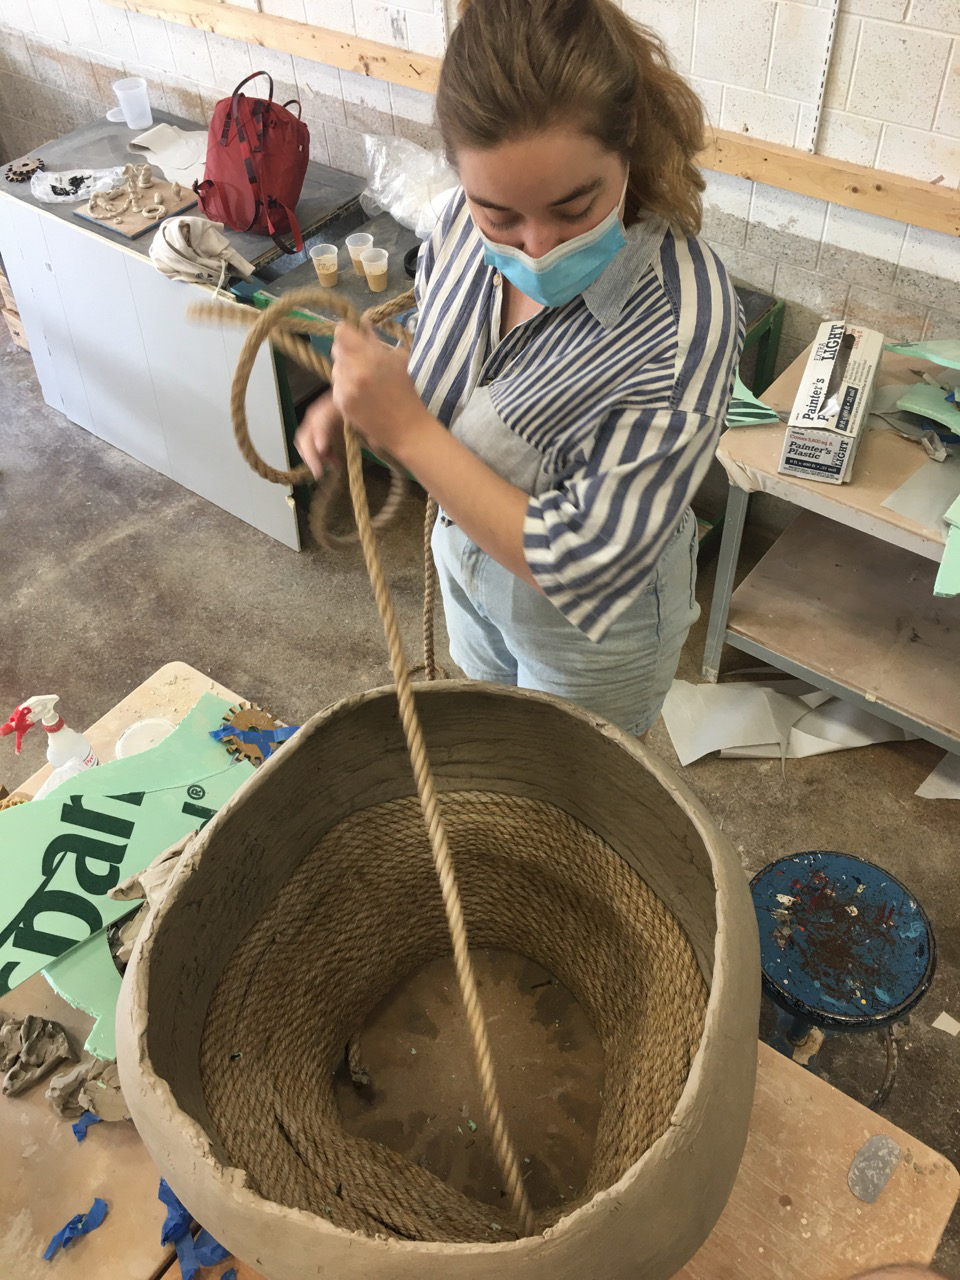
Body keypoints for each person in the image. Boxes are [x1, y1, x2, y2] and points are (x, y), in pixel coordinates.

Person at [296, 0, 743, 736]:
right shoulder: (454, 225)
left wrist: (406, 433)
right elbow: (453, 363)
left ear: (628, 138)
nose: (536, 247)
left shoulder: (683, 322)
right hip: (468, 565)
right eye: (500, 216)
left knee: (563, 784)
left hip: (590, 635)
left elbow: (584, 563)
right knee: (491, 749)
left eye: (574, 208)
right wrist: (365, 394)